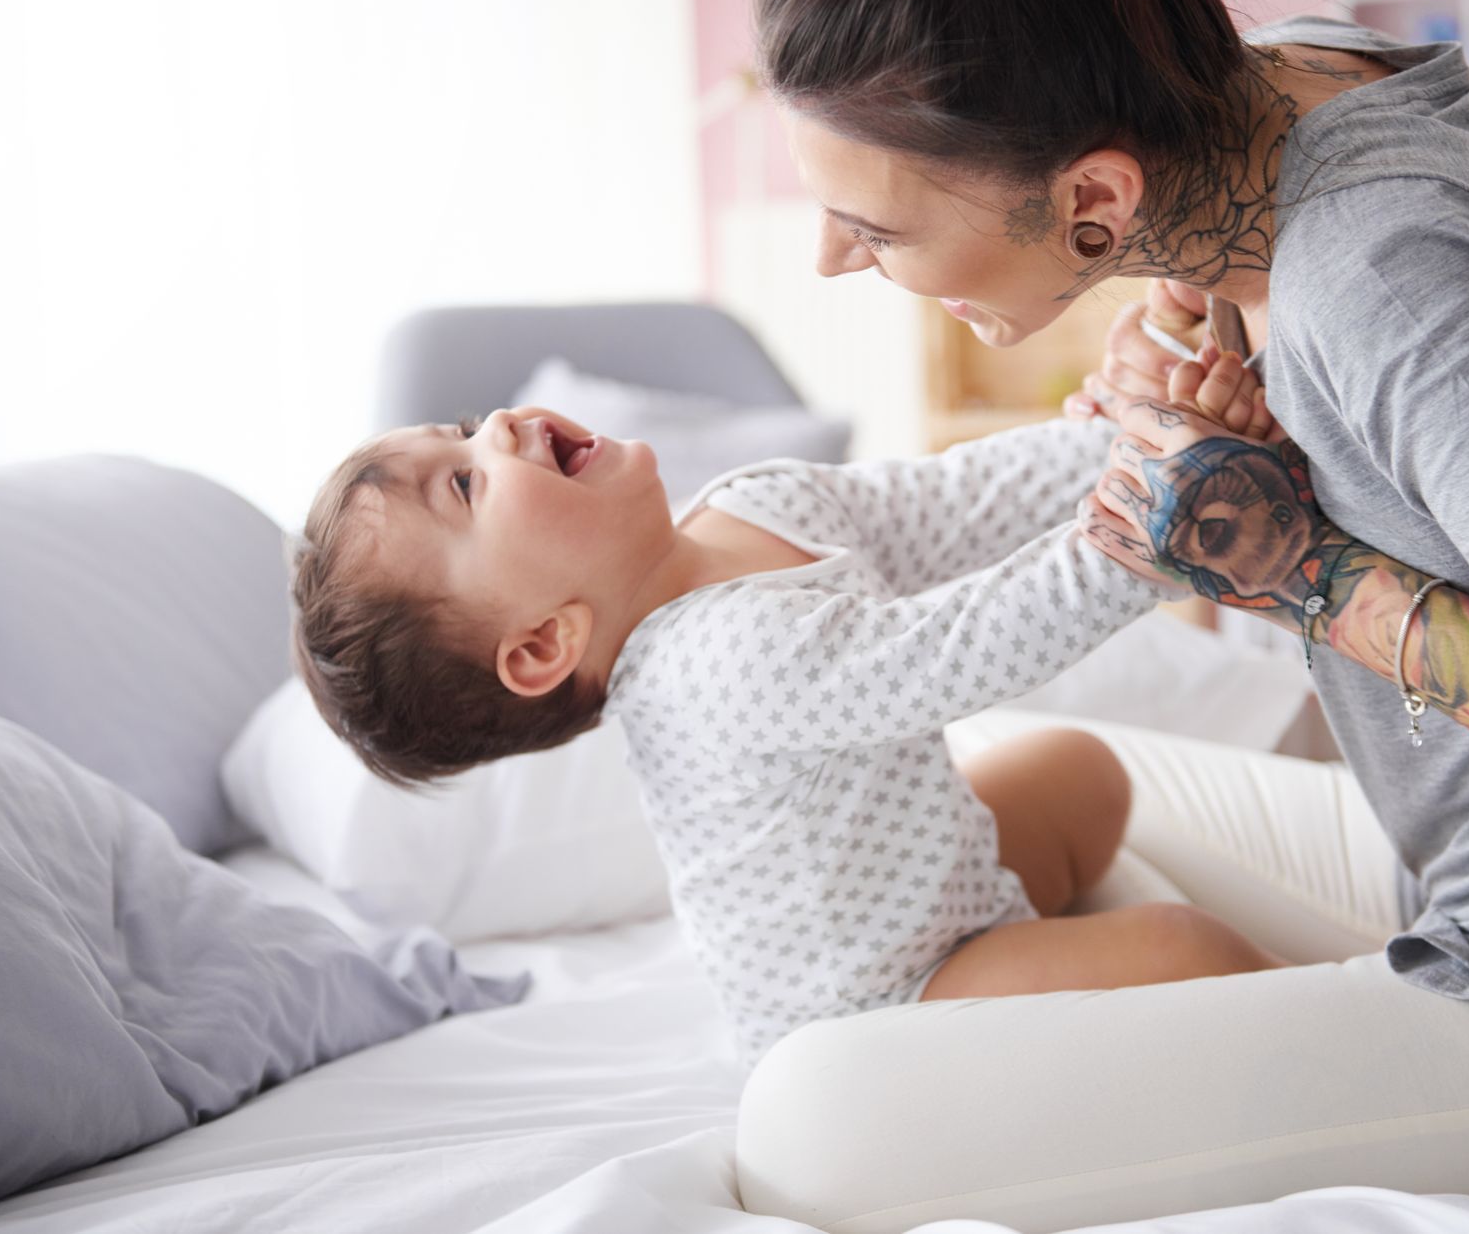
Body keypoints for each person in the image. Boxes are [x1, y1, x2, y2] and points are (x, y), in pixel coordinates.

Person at [734, 0, 1469, 1227]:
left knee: (809, 1123)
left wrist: (1301, 570)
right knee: (1026, 759)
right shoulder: (1315, 68)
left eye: (876, 227)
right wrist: (1209, 327)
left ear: (1096, 196)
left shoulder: (1381, 276)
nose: (833, 257)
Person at [288, 371, 1283, 1064]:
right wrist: (1148, 536)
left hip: (930, 886)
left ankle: (1039, 947)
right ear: (545, 643)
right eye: (464, 483)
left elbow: (963, 500)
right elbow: (966, 644)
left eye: (464, 427)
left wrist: (1136, 442)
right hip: (872, 1020)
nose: (499, 424)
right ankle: (1344, 1042)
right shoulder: (716, 665)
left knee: (1081, 773)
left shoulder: (753, 503)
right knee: (1182, 951)